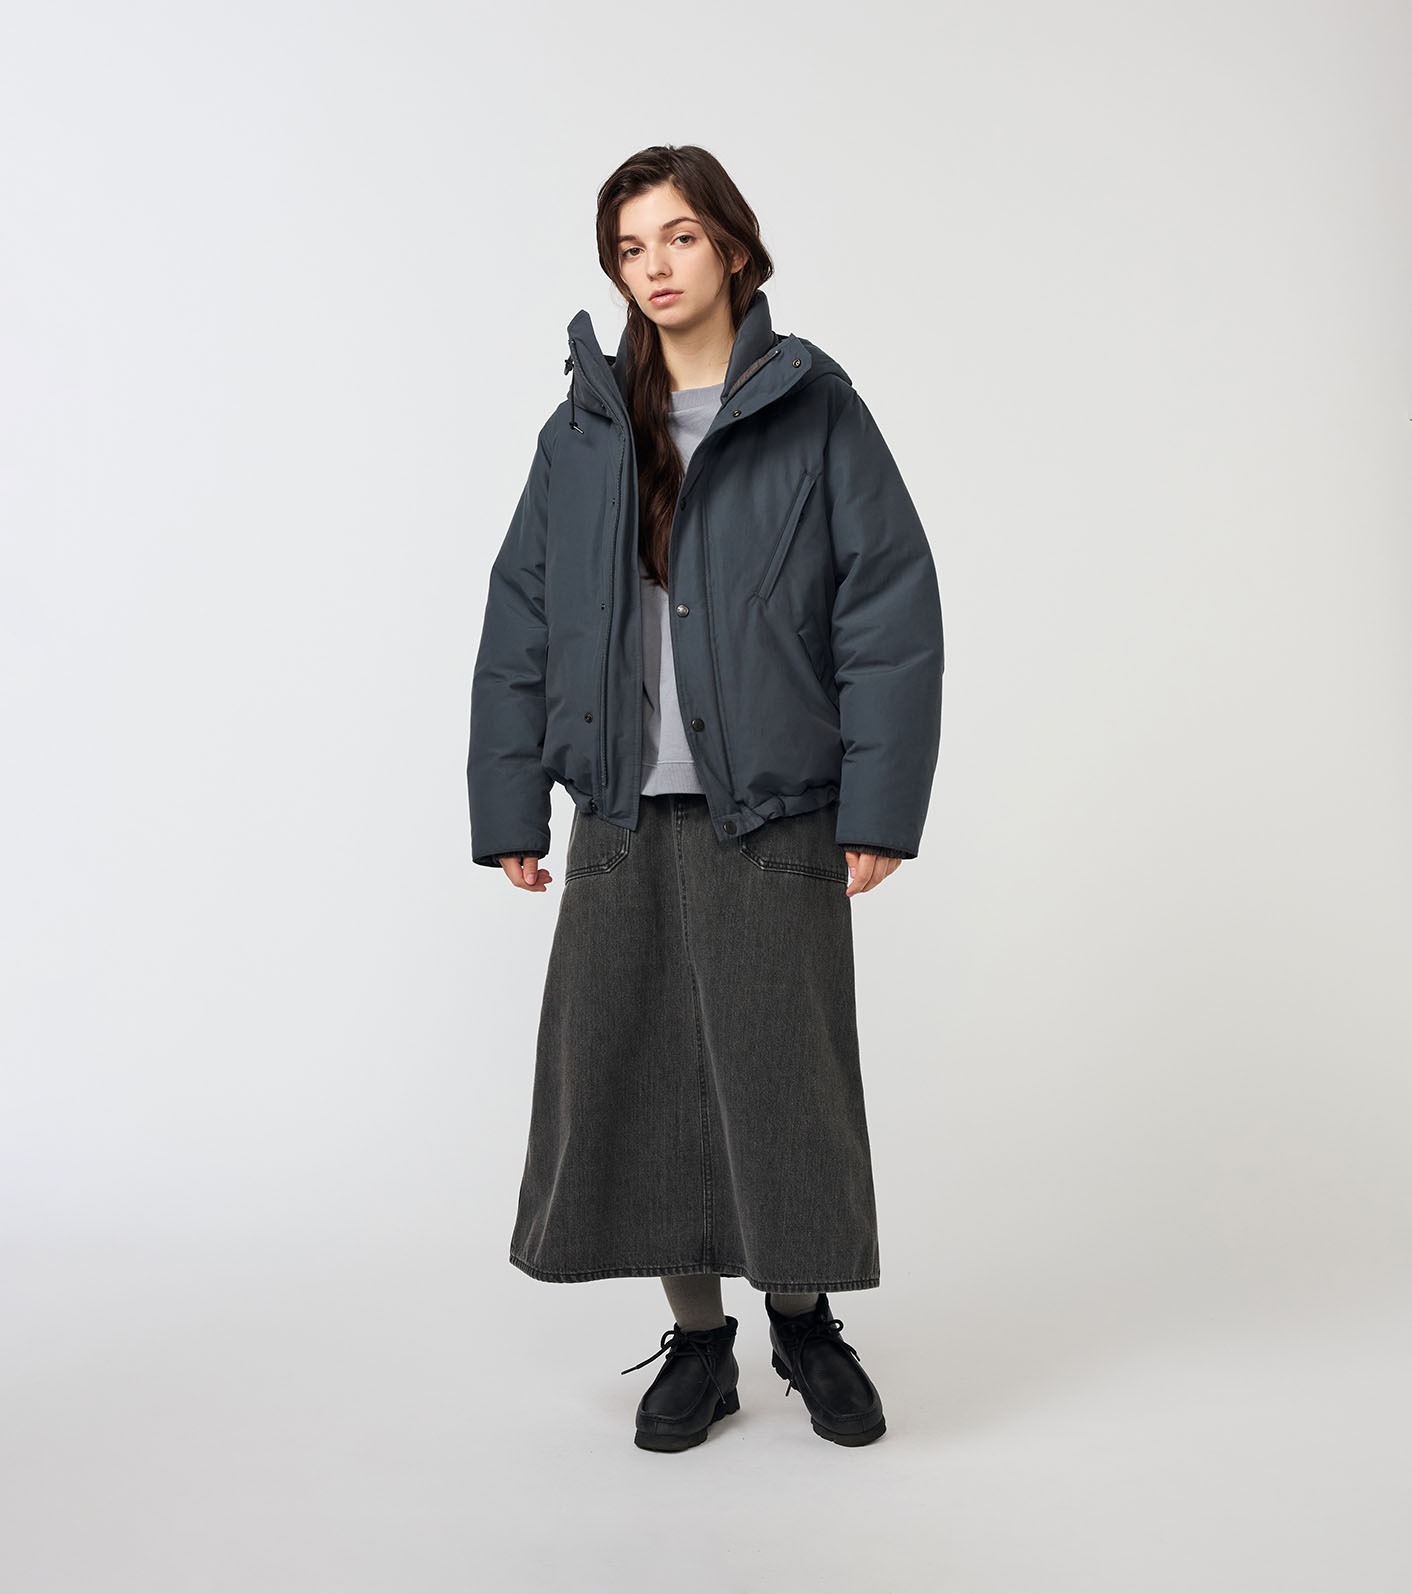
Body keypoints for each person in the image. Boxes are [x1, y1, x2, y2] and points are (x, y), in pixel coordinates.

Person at [466, 144, 944, 1452]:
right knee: (639, 1079)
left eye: (678, 237)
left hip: (775, 811)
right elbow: (522, 617)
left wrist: (879, 806)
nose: (655, 267)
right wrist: (510, 803)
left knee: (782, 1079)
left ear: (732, 247)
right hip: (622, 815)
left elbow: (888, 612)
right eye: (630, 248)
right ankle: (699, 1338)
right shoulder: (583, 432)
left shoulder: (815, 411)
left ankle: (804, 1320)